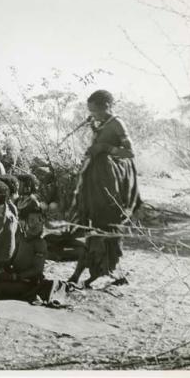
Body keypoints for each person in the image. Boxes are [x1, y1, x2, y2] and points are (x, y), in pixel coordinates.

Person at [68, 90, 140, 288]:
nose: (93, 115)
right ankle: (87, 272)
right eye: (90, 111)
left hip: (111, 183)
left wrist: (105, 148)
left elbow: (130, 153)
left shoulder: (118, 123)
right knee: (93, 227)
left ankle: (105, 271)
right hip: (96, 181)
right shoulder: (100, 122)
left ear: (107, 106)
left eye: (95, 111)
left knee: (105, 227)